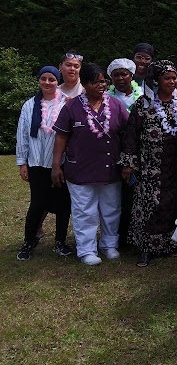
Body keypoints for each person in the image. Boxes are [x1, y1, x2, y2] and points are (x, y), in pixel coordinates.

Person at [51, 63, 130, 265]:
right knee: (84, 210)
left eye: (103, 81)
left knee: (111, 208)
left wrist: (128, 163)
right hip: (80, 169)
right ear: (85, 84)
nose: (101, 85)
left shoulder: (115, 105)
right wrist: (56, 165)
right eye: (95, 82)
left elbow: (127, 135)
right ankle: (86, 249)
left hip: (110, 168)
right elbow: (61, 136)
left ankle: (109, 244)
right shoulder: (71, 107)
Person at [120, 60, 177, 267]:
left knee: (173, 204)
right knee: (149, 205)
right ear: (157, 80)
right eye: (167, 78)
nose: (172, 81)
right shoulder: (144, 103)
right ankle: (146, 249)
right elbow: (131, 134)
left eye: (174, 78)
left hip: (174, 165)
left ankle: (170, 245)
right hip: (150, 165)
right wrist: (129, 163)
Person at [15, 66, 72, 261]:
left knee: (63, 204)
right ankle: (29, 242)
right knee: (37, 204)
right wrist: (22, 163)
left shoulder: (67, 103)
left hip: (61, 163)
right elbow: (22, 134)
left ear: (58, 81)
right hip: (37, 162)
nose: (47, 83)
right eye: (43, 79)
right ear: (39, 81)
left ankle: (60, 242)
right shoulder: (30, 105)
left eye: (52, 79)